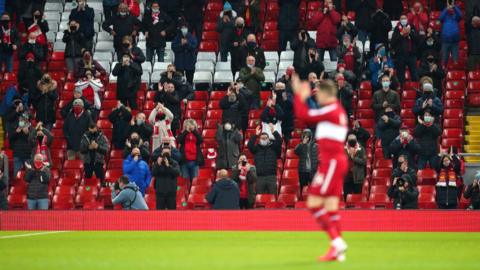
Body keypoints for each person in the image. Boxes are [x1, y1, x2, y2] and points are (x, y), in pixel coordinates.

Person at [292, 78, 348, 261]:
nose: (318, 98)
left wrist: (300, 95)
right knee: (331, 206)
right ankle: (336, 249)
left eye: (319, 95)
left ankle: (338, 241)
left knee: (314, 203)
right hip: (334, 162)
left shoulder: (331, 110)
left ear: (325, 94)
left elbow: (305, 115)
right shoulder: (335, 110)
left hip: (332, 163)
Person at [248, 125, 282, 195]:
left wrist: (274, 132)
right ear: (259, 139)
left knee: (272, 198)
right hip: (260, 177)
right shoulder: (257, 149)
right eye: (262, 138)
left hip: (271, 177)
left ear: (268, 139)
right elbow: (250, 145)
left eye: (265, 138)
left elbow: (279, 141)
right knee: (260, 199)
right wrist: (256, 135)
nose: (264, 139)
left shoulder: (273, 147)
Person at [390, 14, 419, 84]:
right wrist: (401, 34)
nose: (404, 20)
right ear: (400, 20)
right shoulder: (397, 29)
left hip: (411, 55)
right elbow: (392, 42)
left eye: (405, 18)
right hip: (400, 56)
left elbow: (417, 39)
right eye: (402, 19)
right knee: (400, 77)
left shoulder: (412, 27)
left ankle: (415, 91)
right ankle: (401, 91)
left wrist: (410, 33)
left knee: (415, 75)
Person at [151, 145, 180, 210]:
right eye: (164, 153)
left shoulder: (174, 163)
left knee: (172, 212)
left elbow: (177, 173)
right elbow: (153, 173)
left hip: (171, 191)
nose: (166, 155)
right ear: (161, 154)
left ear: (170, 154)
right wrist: (158, 165)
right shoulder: (157, 163)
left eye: (167, 153)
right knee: (160, 213)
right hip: (160, 191)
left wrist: (168, 166)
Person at [9, 112, 33, 177]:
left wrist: (28, 133)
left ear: (28, 120)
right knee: (16, 175)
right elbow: (10, 138)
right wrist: (16, 131)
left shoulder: (31, 128)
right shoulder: (16, 126)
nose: (22, 120)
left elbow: (34, 141)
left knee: (29, 175)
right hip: (17, 154)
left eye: (24, 119)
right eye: (21, 119)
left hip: (27, 154)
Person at [343, 134, 366, 200]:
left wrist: (353, 157)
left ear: (356, 140)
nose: (351, 142)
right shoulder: (344, 149)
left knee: (357, 197)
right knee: (346, 197)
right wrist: (349, 155)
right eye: (350, 140)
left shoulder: (361, 149)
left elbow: (363, 162)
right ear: (347, 140)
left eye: (353, 140)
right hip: (347, 177)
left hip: (357, 177)